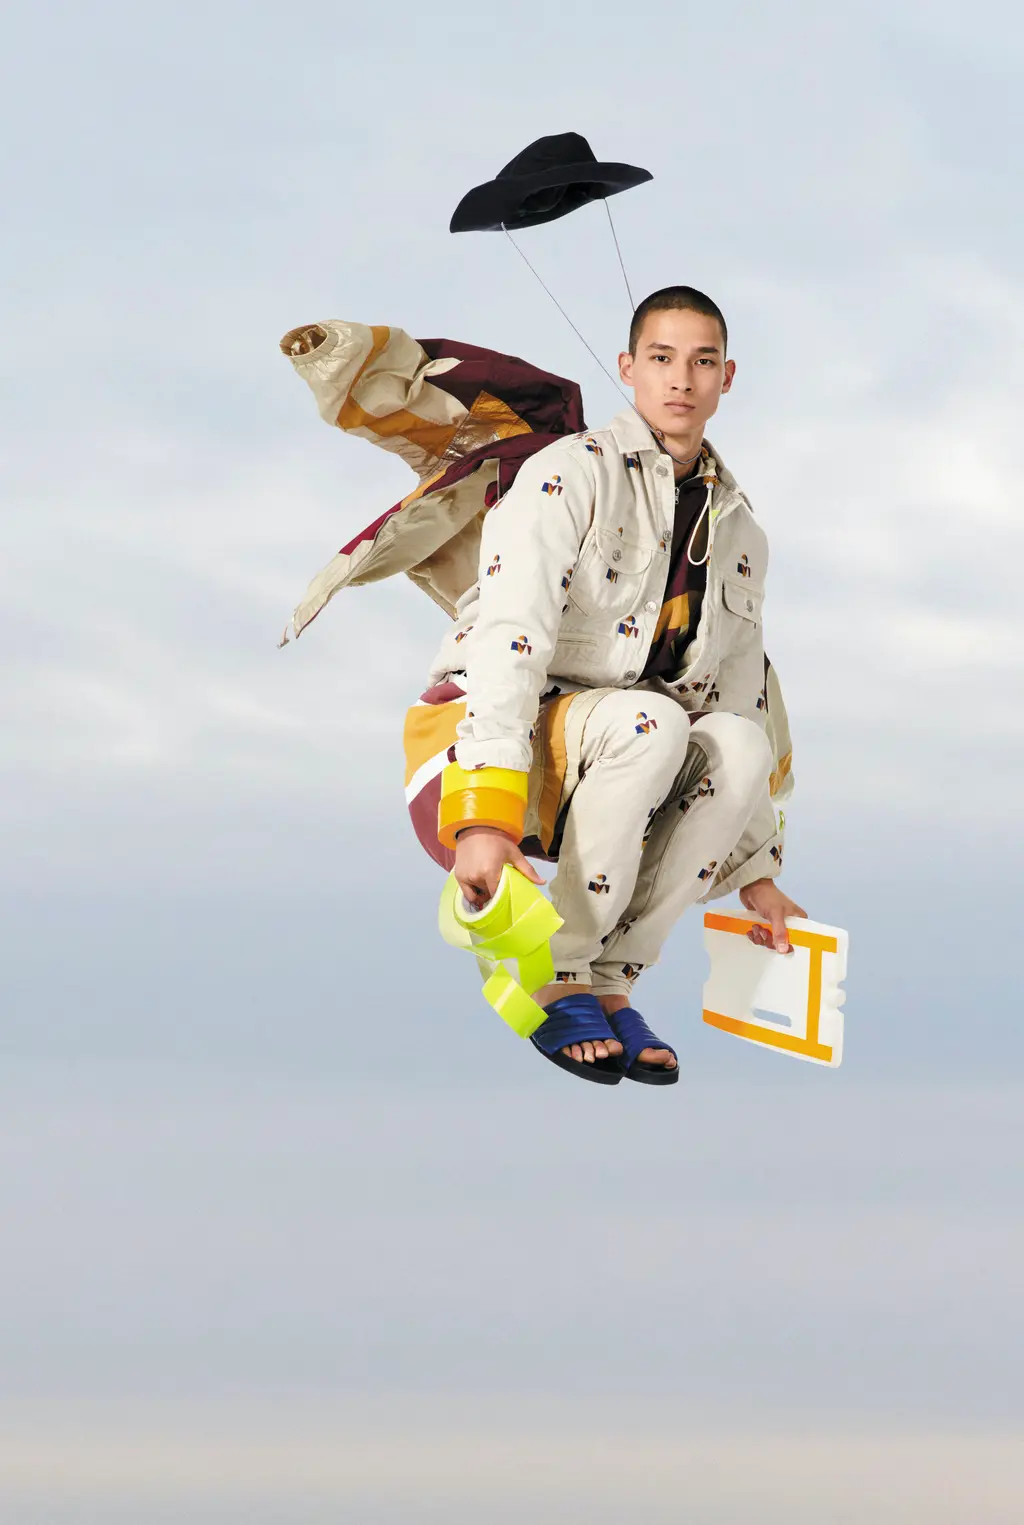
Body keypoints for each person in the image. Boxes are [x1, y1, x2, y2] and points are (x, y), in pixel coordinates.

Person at [417, 285, 806, 1084]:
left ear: (727, 376)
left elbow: (741, 694)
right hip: (481, 744)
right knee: (650, 722)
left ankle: (610, 979)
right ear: (628, 368)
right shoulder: (568, 475)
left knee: (737, 741)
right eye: (661, 358)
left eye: (702, 361)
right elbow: (509, 637)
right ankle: (554, 970)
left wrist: (758, 874)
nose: (681, 379)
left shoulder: (741, 529)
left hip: (626, 758)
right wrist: (483, 814)